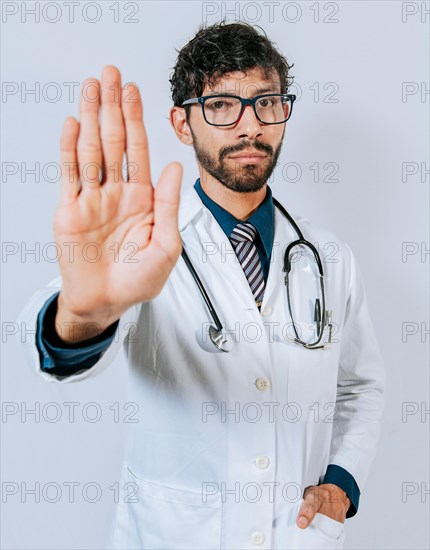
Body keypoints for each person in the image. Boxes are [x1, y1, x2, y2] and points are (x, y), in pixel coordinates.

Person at [18, 21, 385, 550]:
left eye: (266, 102)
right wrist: (82, 314)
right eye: (220, 105)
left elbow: (360, 387)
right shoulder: (141, 244)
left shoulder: (329, 258)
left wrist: (343, 482)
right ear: (183, 123)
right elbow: (61, 346)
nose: (248, 126)